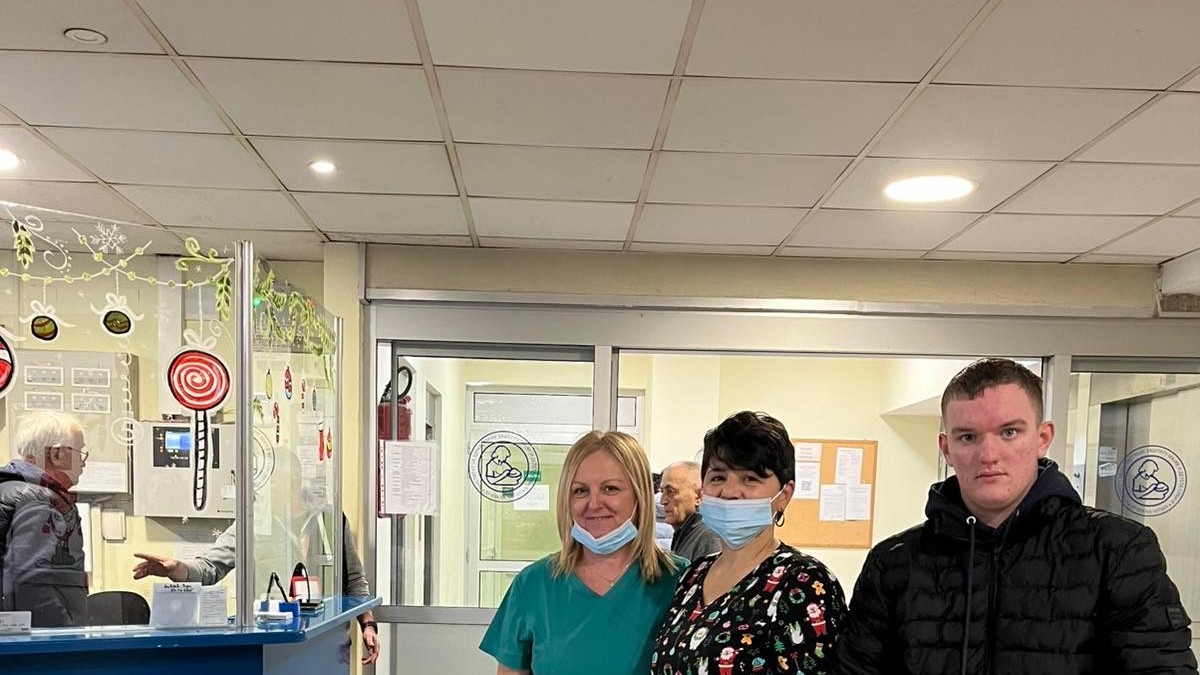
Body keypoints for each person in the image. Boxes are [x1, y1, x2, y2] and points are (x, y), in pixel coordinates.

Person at [836, 358, 1196, 675]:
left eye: (1009, 432)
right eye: (968, 437)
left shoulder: (1118, 551)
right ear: (946, 448)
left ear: (1042, 438)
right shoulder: (893, 564)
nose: (988, 454)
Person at [652, 412, 846, 675]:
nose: (730, 492)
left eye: (750, 478)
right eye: (718, 477)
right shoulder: (693, 576)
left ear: (784, 495)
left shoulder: (803, 583)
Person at [480, 431, 685, 675]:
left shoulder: (682, 581)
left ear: (639, 495)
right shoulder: (534, 585)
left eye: (610, 488)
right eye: (580, 491)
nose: (594, 503)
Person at [132, 512, 379, 665]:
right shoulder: (253, 522)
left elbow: (354, 579)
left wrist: (368, 625)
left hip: (326, 641)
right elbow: (210, 567)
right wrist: (178, 569)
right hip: (273, 645)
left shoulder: (331, 520)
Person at [0, 411, 89, 627]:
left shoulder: (9, 489)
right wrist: (66, 635)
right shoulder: (39, 501)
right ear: (57, 454)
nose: (84, 463)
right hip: (40, 637)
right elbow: (34, 585)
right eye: (80, 453)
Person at [659, 461, 722, 562]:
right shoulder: (686, 534)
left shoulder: (708, 539)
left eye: (670, 491)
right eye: (662, 491)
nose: (662, 501)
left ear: (699, 496)